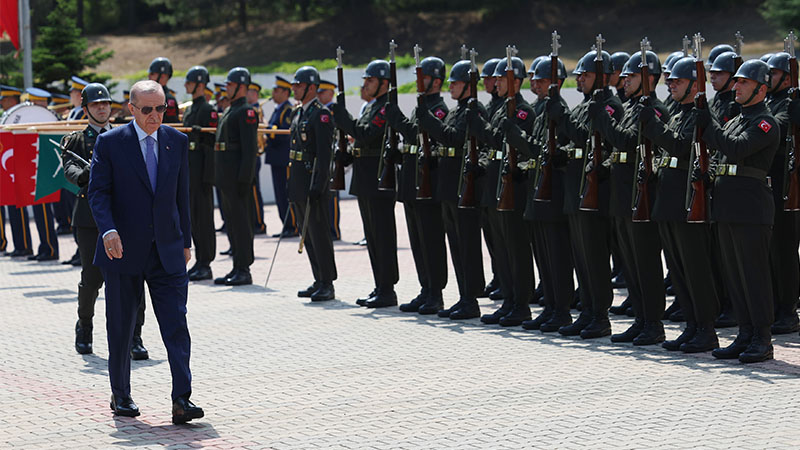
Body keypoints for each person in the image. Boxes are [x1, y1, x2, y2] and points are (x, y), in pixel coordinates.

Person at [88, 80, 203, 422]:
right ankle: (121, 394)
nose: (156, 116)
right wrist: (108, 230)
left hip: (167, 251)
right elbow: (99, 193)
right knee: (121, 326)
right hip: (122, 250)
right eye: (149, 110)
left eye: (162, 109)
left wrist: (185, 241)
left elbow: (183, 196)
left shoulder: (176, 141)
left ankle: (182, 399)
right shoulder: (110, 143)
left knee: (176, 326)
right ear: (132, 109)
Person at [693, 59, 779, 363]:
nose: (737, 86)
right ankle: (744, 334)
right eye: (737, 81)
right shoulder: (736, 119)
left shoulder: (765, 123)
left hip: (750, 208)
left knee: (754, 275)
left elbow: (737, 148)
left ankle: (762, 338)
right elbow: (721, 152)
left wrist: (709, 124)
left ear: (761, 88)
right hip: (728, 206)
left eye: (743, 82)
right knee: (735, 275)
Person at [589, 50, 670, 345]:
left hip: (642, 195)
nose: (624, 81)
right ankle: (640, 318)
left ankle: (653, 323)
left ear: (649, 79)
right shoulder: (632, 107)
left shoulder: (655, 110)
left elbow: (623, 140)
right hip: (622, 195)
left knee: (645, 262)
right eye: (623, 76)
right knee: (632, 262)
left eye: (632, 76)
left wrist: (602, 119)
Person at [640, 56, 720, 353]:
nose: (671, 84)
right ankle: (691, 325)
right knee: (678, 269)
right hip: (668, 201)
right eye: (670, 80)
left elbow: (680, 147)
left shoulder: (699, 116)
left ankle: (706, 329)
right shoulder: (677, 114)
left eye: (678, 81)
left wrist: (652, 125)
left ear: (695, 85)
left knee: (695, 268)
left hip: (688, 202)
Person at [63, 82, 149, 358]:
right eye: (96, 104)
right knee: (92, 278)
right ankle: (85, 326)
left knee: (134, 276)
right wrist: (87, 174)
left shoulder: (126, 136)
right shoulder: (76, 140)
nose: (102, 108)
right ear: (86, 108)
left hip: (125, 217)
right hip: (91, 219)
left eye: (105, 103)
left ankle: (135, 336)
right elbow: (69, 167)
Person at [547, 48, 624, 338]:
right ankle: (587, 311)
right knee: (581, 256)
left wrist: (563, 116)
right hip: (575, 188)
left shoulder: (611, 105)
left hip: (596, 191)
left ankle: (600, 315)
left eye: (587, 75)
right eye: (578, 75)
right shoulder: (585, 104)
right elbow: (574, 141)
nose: (580, 80)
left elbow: (588, 135)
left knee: (594, 256)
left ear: (602, 78)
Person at [416, 58, 488, 319]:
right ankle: (463, 296)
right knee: (456, 244)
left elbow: (453, 138)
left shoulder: (474, 109)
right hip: (449, 185)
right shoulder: (459, 109)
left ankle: (471, 299)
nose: (450, 87)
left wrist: (428, 120)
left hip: (464, 185)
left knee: (467, 245)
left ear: (469, 85)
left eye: (455, 83)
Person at [468, 54, 536, 327]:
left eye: (501, 79)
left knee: (516, 249)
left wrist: (483, 127)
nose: (495, 83)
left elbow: (521, 147)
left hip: (514, 187)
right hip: (496, 185)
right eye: (494, 79)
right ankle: (508, 300)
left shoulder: (523, 112)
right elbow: (494, 142)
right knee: (502, 250)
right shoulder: (498, 110)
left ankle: (520, 303)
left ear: (516, 82)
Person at [384, 55, 450, 316]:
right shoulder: (421, 106)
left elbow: (419, 133)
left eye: (423, 77)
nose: (419, 82)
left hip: (428, 184)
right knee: (418, 240)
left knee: (431, 239)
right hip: (413, 181)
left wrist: (398, 120)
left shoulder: (440, 109)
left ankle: (436, 292)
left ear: (436, 80)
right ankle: (425, 288)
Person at [330, 59, 400, 308]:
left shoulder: (385, 109)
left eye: (370, 80)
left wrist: (343, 117)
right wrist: (346, 154)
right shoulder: (371, 108)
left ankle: (387, 289)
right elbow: (360, 139)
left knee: (382, 235)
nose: (366, 84)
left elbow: (367, 133)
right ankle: (380, 285)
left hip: (378, 179)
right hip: (365, 177)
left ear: (383, 83)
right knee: (371, 236)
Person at [289, 66, 337, 301]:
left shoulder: (321, 114)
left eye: (298, 85)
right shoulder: (299, 113)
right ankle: (318, 278)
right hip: (299, 179)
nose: (294, 89)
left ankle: (327, 282)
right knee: (306, 233)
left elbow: (324, 155)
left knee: (319, 233)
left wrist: (319, 184)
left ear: (311, 87)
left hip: (312, 180)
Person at [213, 67, 259, 286]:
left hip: (237, 178)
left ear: (241, 86)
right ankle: (236, 266)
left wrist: (245, 178)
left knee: (241, 224)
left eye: (230, 85)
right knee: (231, 223)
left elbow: (250, 150)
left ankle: (244, 268)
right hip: (226, 176)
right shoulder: (231, 110)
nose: (226, 88)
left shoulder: (246, 111)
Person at [765, 51, 800, 334]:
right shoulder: (771, 101)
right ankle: (778, 304)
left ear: (788, 77)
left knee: (785, 250)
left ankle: (788, 309)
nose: (768, 78)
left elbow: (773, 129)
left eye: (774, 74)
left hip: (787, 186)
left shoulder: (789, 104)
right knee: (773, 250)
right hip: (770, 186)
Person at [182, 66, 218, 282]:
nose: (186, 85)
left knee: (204, 220)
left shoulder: (207, 109)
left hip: (202, 174)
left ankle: (206, 262)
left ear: (200, 84)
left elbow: (211, 143)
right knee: (193, 219)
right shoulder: (189, 110)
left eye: (189, 81)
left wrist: (208, 177)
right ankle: (199, 261)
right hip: (190, 172)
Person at [23, 87, 60, 262]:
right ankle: (45, 246)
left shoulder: (51, 118)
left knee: (45, 210)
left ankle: (50, 248)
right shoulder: (36, 118)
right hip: (34, 167)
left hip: (47, 169)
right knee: (39, 210)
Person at [0, 85, 33, 257]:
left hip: (19, 168)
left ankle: (24, 245)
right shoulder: (6, 116)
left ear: (13, 100)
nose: (2, 104)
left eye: (4, 100)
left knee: (18, 208)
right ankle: (19, 245)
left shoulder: (21, 115)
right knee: (13, 210)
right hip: (9, 168)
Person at [265, 76, 298, 238]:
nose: (273, 93)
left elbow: (283, 133)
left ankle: (292, 225)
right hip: (276, 157)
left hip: (284, 158)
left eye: (277, 90)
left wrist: (267, 129)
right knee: (279, 194)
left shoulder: (288, 110)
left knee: (286, 193)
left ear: (286, 92)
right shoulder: (279, 109)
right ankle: (286, 225)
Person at [316, 79, 342, 241]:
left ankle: (333, 229)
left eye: (322, 92)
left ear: (331, 93)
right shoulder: (320, 111)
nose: (319, 96)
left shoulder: (333, 110)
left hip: (332, 155)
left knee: (331, 196)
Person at [247, 81, 267, 235]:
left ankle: (259, 222)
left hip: (254, 154)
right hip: (250, 154)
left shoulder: (256, 110)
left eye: (250, 91)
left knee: (254, 191)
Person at [148, 57, 180, 123]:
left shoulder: (168, 99)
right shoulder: (151, 95)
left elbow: (170, 123)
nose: (149, 77)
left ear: (162, 76)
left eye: (152, 74)